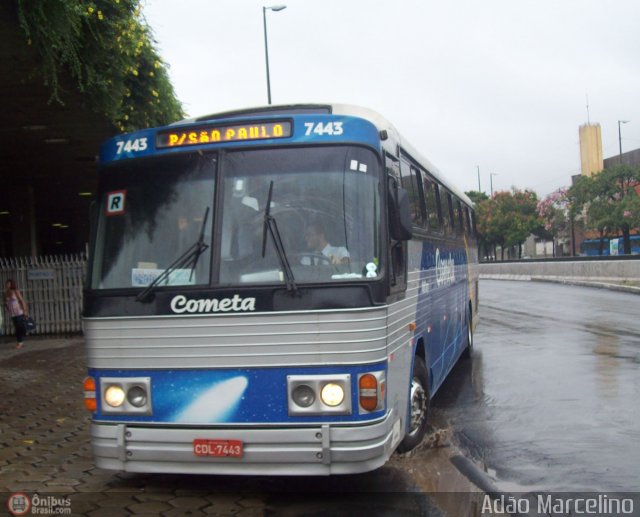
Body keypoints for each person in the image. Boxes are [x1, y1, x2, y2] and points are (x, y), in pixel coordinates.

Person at [4, 279, 28, 349]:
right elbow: (5, 302)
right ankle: (20, 341)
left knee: (19, 328)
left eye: (8, 283)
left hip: (19, 312)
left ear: (12, 284)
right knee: (17, 327)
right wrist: (8, 308)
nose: (7, 285)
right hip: (12, 313)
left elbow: (21, 300)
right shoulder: (6, 293)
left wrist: (25, 310)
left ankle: (20, 342)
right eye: (6, 283)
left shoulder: (15, 291)